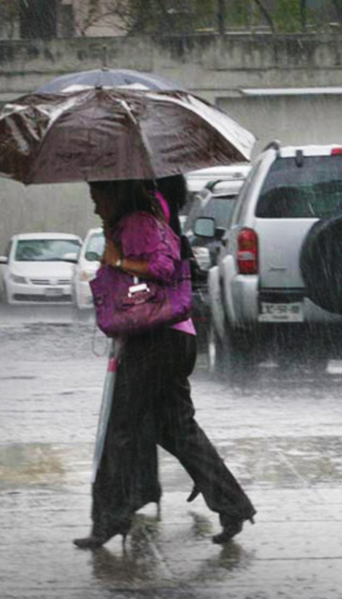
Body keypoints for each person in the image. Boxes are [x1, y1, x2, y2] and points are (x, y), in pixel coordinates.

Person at [74, 178, 256, 549]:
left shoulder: (140, 221)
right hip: (171, 338)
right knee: (175, 429)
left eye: (97, 197)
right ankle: (233, 504)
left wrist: (118, 260)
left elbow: (163, 267)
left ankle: (109, 519)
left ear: (115, 193)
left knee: (120, 430)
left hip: (157, 340)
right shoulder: (132, 221)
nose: (94, 206)